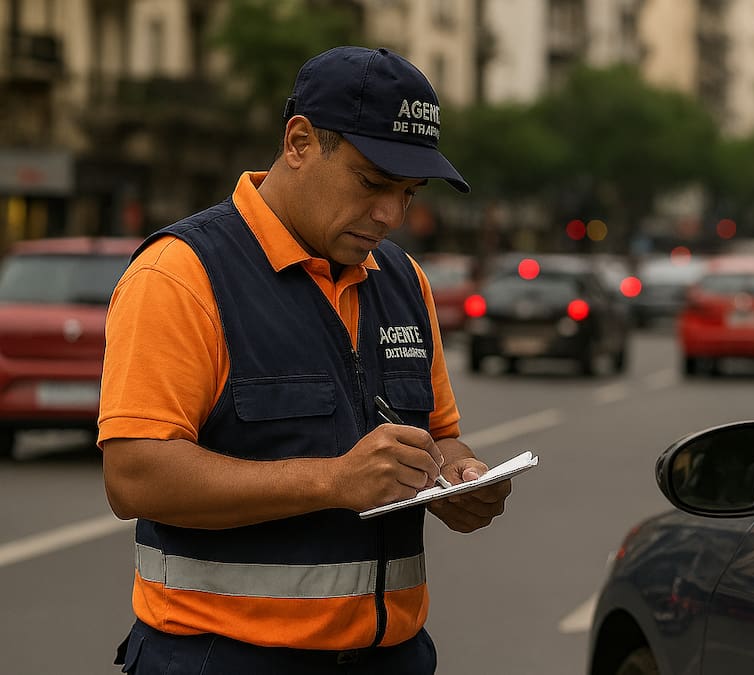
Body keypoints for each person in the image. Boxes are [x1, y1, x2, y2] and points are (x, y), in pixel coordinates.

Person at [99, 46, 511, 674]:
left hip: (393, 658)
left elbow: (440, 436)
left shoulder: (404, 280)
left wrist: (460, 477)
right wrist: (333, 481)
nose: (391, 215)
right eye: (372, 183)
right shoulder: (181, 274)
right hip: (221, 659)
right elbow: (135, 476)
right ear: (299, 142)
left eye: (408, 192)